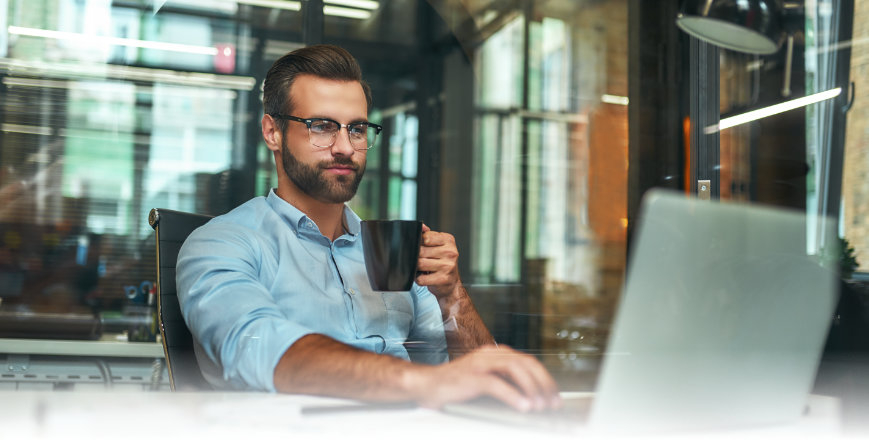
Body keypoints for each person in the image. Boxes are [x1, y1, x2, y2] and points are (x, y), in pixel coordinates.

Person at [176, 44, 561, 412]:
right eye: (322, 126)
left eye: (357, 129)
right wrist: (422, 383)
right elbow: (255, 347)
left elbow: (478, 378)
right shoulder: (221, 243)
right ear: (272, 132)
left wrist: (451, 295)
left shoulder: (389, 250)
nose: (345, 147)